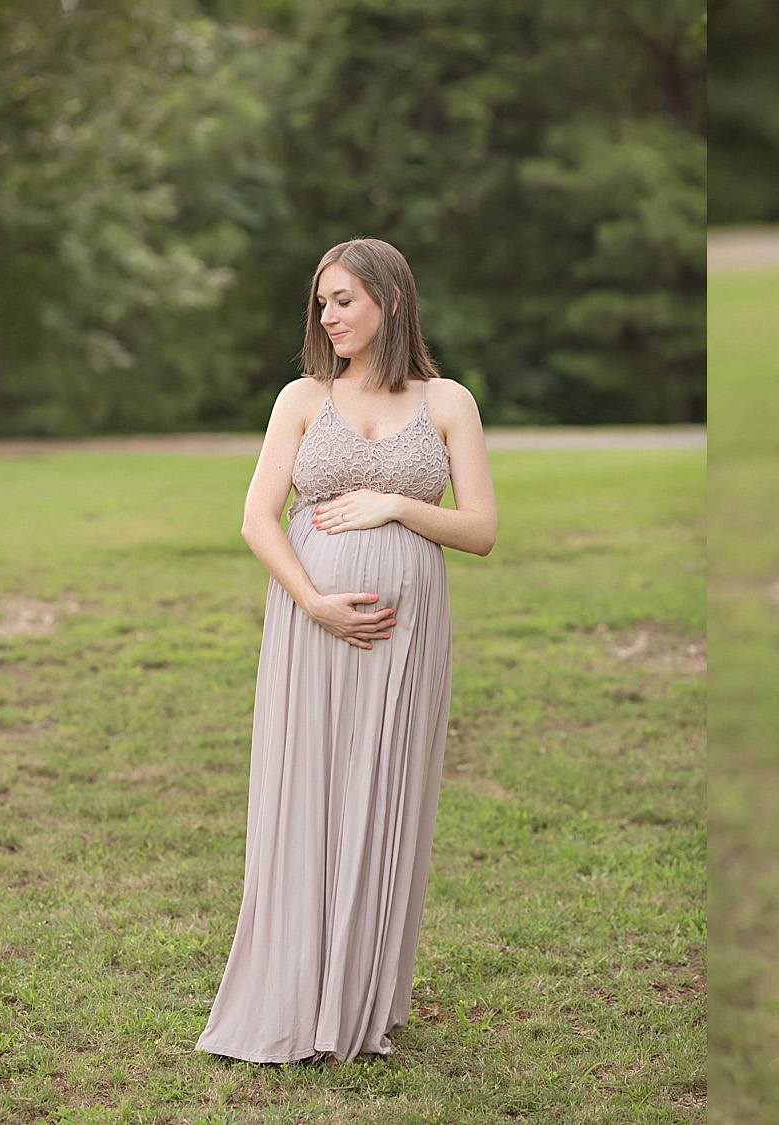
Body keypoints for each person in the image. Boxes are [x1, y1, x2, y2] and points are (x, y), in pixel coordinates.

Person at [197, 238, 497, 1064]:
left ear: (391, 301)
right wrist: (314, 602)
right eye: (322, 302)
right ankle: (293, 995)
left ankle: (357, 1008)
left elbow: (480, 530)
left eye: (344, 301)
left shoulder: (449, 402)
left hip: (406, 637)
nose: (328, 317)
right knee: (308, 791)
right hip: (311, 622)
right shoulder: (301, 398)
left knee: (382, 798)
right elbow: (258, 517)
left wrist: (394, 505)